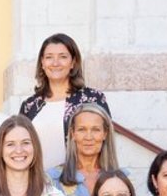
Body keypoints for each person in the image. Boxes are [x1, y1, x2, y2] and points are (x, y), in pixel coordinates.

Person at [18, 33, 110, 172]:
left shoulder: (92, 99)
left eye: (63, 57)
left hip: (79, 183)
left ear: (73, 62)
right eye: (49, 57)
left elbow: (106, 143)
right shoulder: (30, 106)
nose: (55, 63)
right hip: (38, 184)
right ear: (42, 63)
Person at [47, 103, 121, 196]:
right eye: (82, 129)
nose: (88, 137)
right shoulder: (52, 179)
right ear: (72, 134)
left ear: (105, 134)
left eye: (95, 130)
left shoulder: (122, 179)